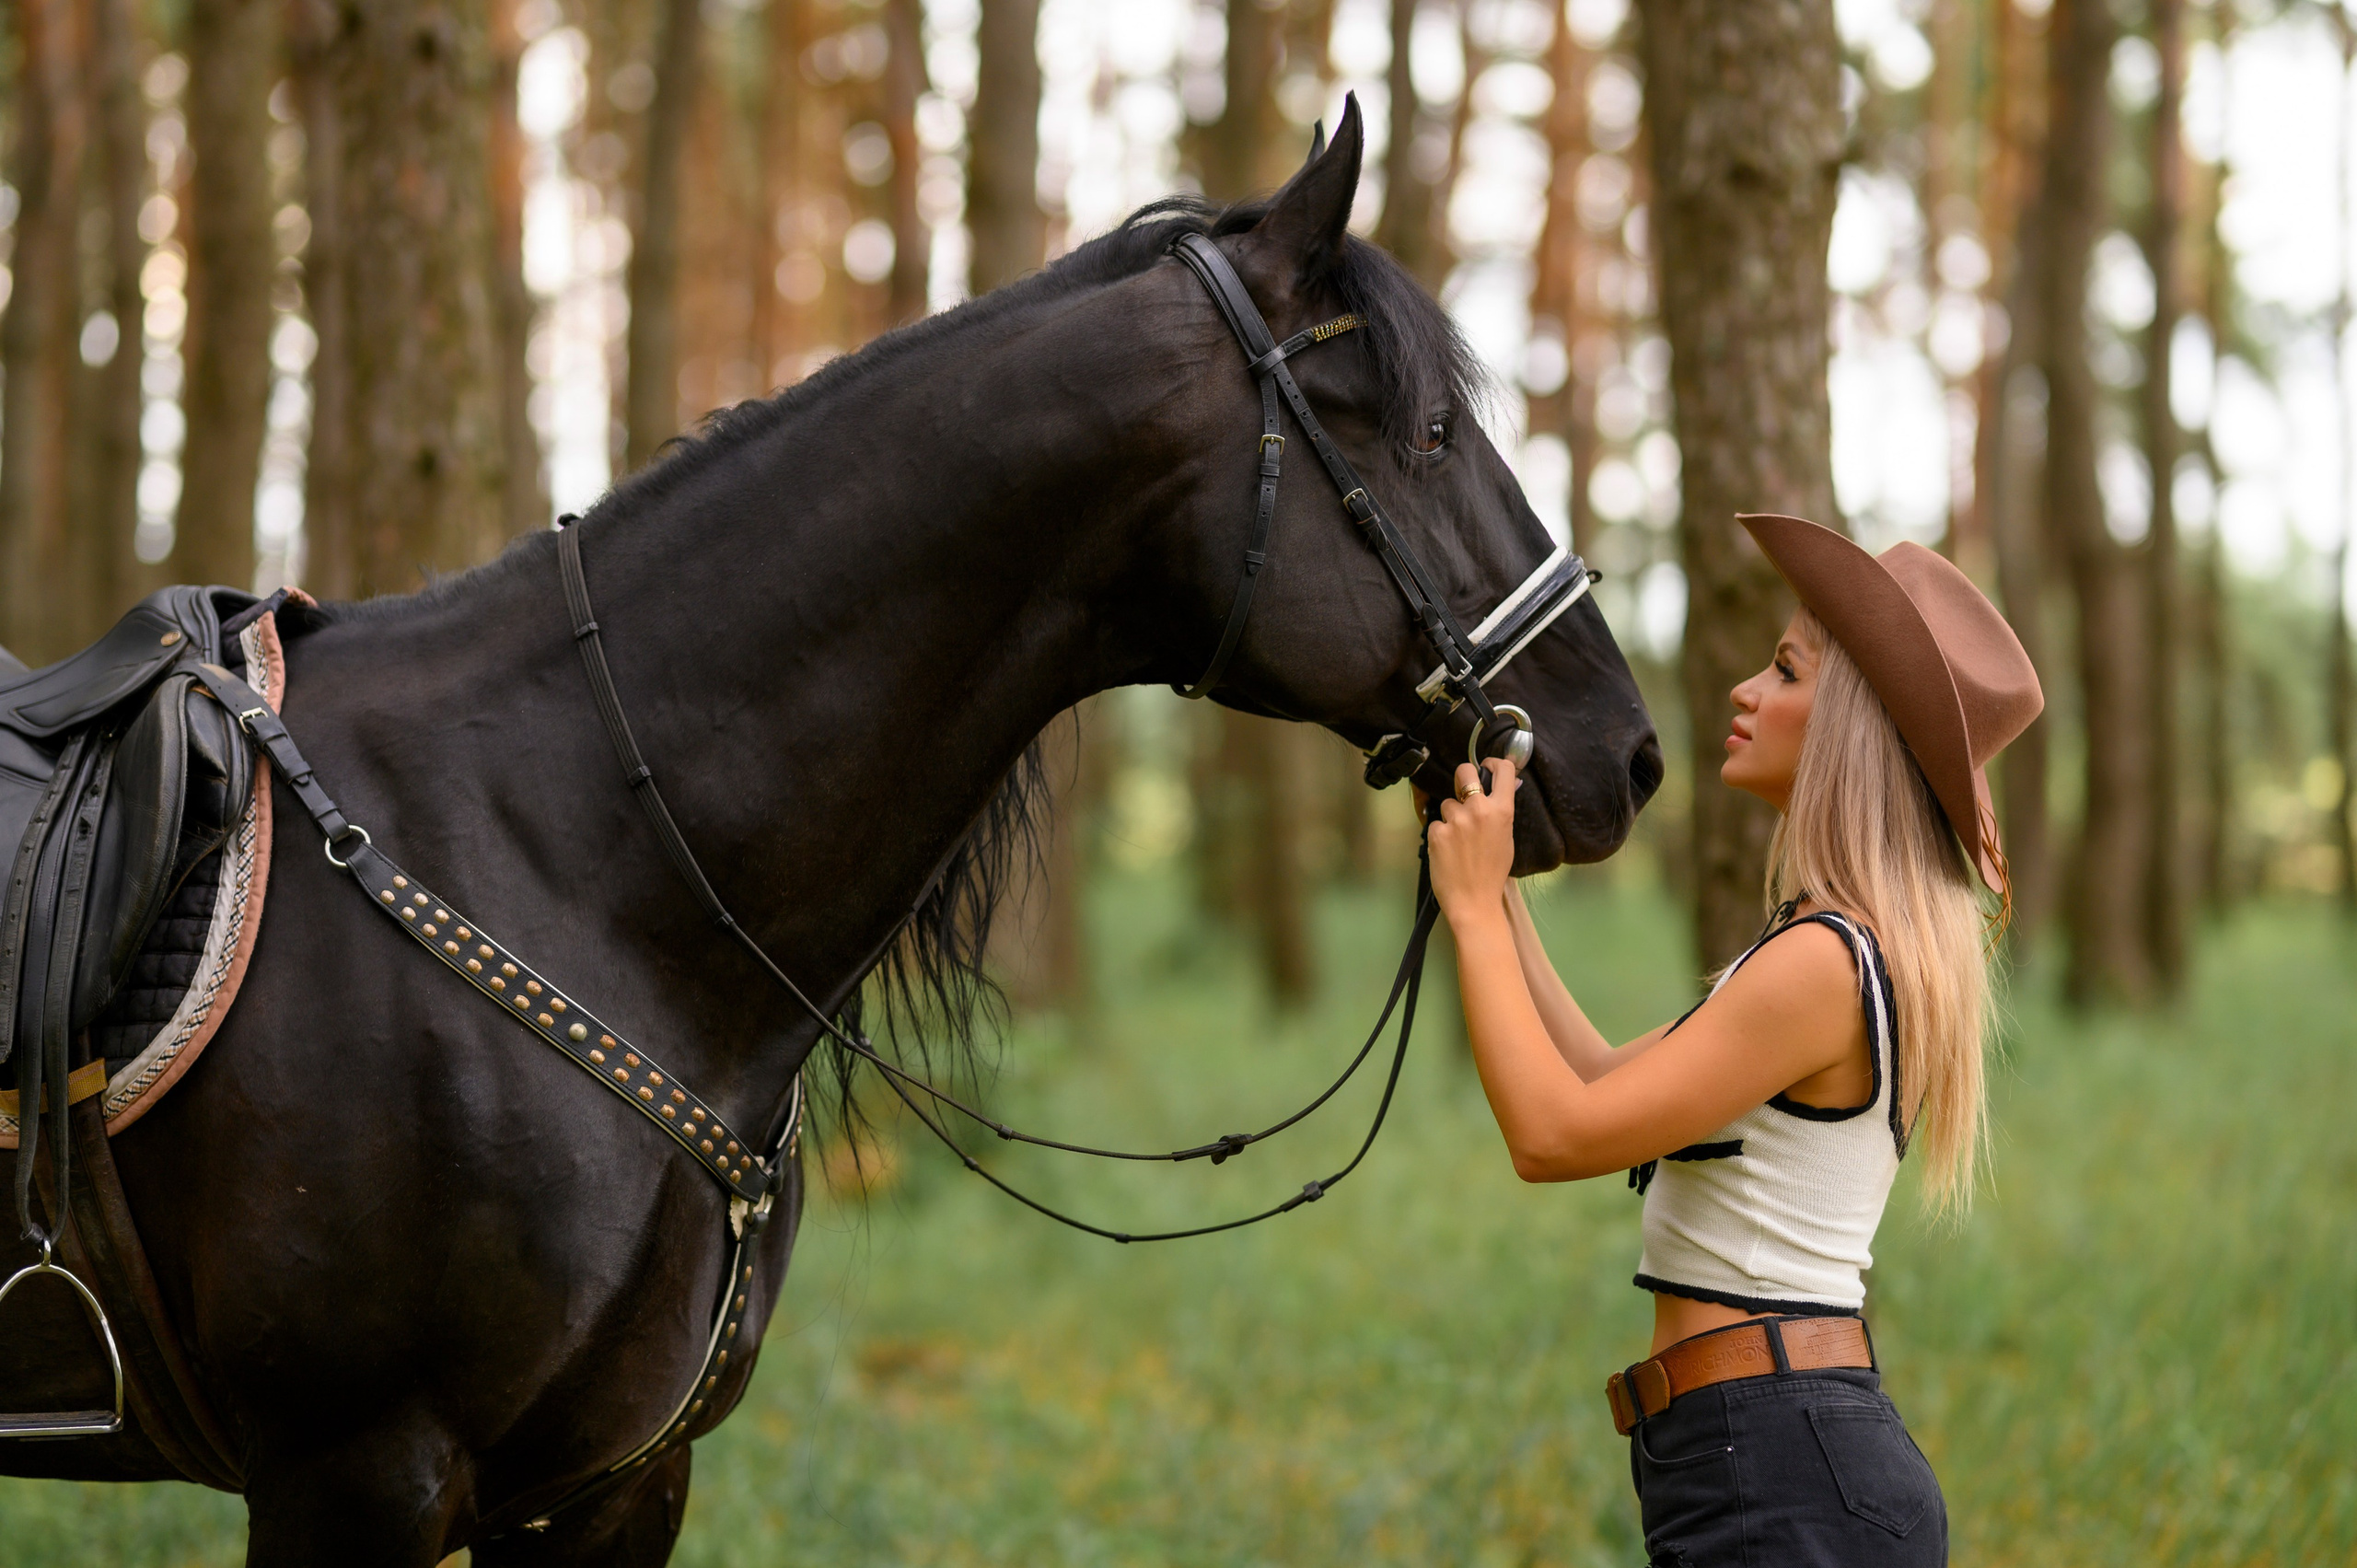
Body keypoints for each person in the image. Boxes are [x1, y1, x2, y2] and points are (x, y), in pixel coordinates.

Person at [1423, 514, 2042, 1567]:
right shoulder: (1823, 946)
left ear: (1849, 723)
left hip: (1777, 1457)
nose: (1743, 691)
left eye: (1785, 670)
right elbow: (1607, 1078)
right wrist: (1490, 883)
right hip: (1757, 1448)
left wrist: (1478, 915)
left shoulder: (1822, 964)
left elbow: (1554, 1134)